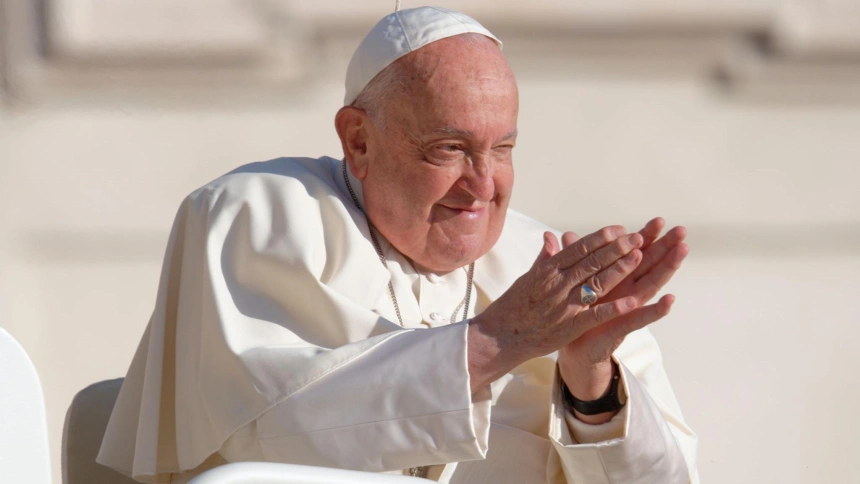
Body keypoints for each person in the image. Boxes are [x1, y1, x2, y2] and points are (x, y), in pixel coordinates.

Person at [97, 6, 698, 484]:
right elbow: (266, 440)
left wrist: (591, 386)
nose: (482, 186)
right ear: (358, 140)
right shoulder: (257, 213)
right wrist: (497, 342)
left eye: (503, 149)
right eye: (449, 148)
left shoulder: (550, 278)